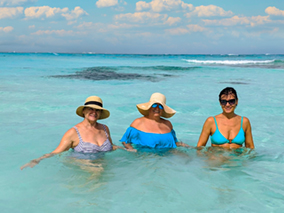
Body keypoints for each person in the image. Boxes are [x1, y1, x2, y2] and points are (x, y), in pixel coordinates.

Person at [21, 96, 120, 170]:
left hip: (101, 167)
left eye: (97, 110)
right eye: (91, 109)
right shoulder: (73, 132)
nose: (94, 112)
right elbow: (56, 152)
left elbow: (111, 146)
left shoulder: (104, 128)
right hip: (81, 167)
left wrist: (125, 150)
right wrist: (38, 160)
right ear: (84, 111)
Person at [120, 92, 189, 152]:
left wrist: (182, 144)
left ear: (163, 110)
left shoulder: (167, 124)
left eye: (161, 106)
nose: (157, 108)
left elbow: (173, 142)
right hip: (146, 157)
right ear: (149, 107)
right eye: (154, 105)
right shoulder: (138, 122)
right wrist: (131, 149)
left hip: (167, 156)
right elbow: (125, 141)